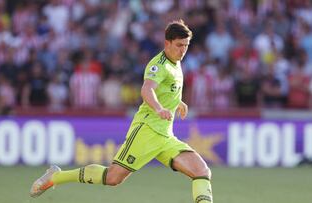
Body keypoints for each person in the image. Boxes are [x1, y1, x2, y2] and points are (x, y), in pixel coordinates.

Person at [30, 19, 213, 203]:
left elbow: (166, 89)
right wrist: (158, 108)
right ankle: (55, 177)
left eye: (186, 46)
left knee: (201, 171)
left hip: (165, 136)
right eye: (179, 45)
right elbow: (147, 89)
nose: (183, 50)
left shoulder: (177, 63)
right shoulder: (159, 65)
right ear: (167, 43)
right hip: (147, 130)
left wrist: (177, 102)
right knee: (112, 177)